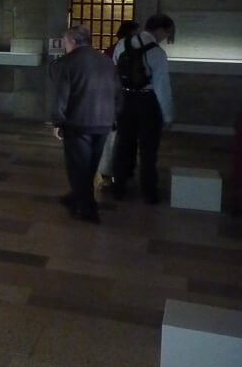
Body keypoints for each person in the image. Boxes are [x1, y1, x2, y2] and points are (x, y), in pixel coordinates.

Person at [51, 24, 122, 223]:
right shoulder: (106, 62)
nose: (64, 44)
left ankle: (87, 208)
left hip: (79, 122)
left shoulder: (66, 62)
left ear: (72, 41)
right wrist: (115, 117)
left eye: (65, 41)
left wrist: (57, 122)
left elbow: (61, 96)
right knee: (91, 164)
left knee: (78, 165)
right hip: (104, 122)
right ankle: (76, 197)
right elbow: (117, 93)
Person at [110, 13, 175, 204]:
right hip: (148, 102)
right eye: (167, 33)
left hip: (125, 100)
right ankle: (148, 191)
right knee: (148, 149)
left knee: (123, 145)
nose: (166, 37)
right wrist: (168, 115)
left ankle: (119, 187)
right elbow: (162, 87)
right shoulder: (157, 52)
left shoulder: (122, 44)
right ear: (160, 29)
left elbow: (114, 75)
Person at [99, 20, 140, 184]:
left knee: (114, 138)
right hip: (117, 99)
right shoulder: (122, 50)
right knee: (115, 138)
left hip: (114, 98)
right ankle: (112, 172)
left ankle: (112, 172)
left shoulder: (112, 50)